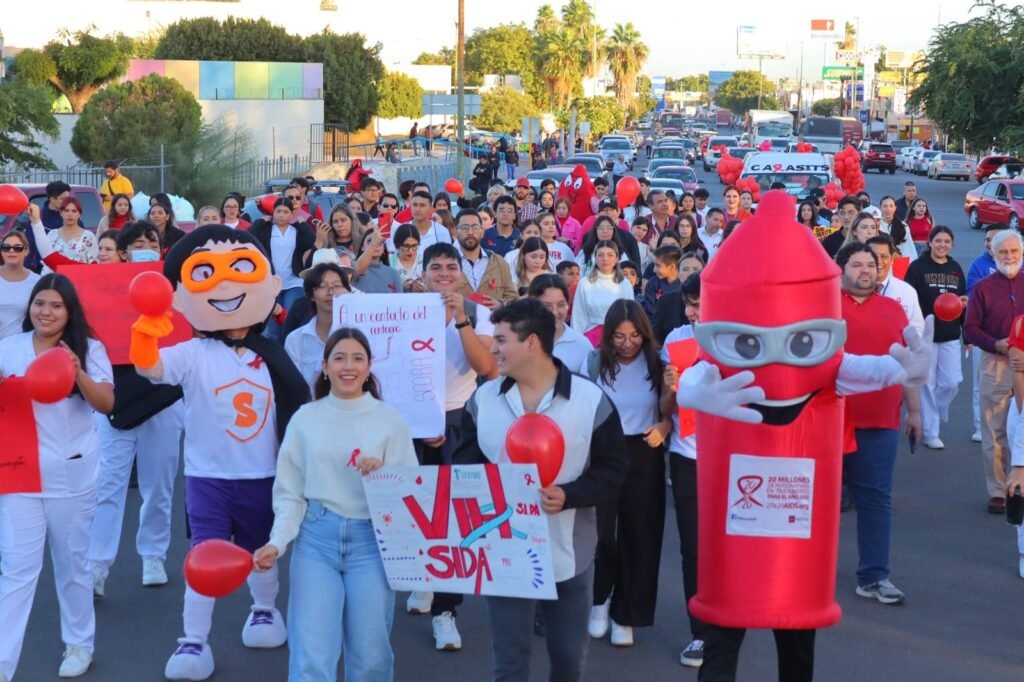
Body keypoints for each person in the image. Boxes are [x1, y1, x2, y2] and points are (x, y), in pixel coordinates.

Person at [131, 226, 309, 681]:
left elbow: (299, 404)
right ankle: (193, 640)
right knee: (204, 557)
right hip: (207, 476)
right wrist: (146, 329)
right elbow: (150, 369)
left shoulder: (273, 353)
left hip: (264, 473)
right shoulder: (193, 352)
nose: (227, 288)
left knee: (261, 551)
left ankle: (264, 610)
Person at [452, 297, 627, 682]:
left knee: (567, 662)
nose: (491, 348)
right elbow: (463, 470)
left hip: (570, 554)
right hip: (504, 553)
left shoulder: (591, 400)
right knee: (509, 664)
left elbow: (615, 470)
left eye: (500, 339)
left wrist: (571, 494)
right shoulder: (483, 400)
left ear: (532, 342)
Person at [253, 328, 417, 682]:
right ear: (324, 366)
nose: (349, 366)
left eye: (358, 358)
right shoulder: (304, 418)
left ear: (370, 366)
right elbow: (289, 492)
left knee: (371, 656)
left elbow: (411, 494)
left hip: (372, 542)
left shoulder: (390, 420)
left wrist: (384, 476)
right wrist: (277, 542)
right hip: (316, 540)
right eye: (339, 358)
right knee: (311, 656)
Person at [0, 274, 115, 680]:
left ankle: (79, 643)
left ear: (69, 311)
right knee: (16, 568)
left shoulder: (90, 348)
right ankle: (3, 661)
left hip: (71, 473)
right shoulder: (8, 349)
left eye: (55, 306)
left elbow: (106, 403)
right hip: (18, 475)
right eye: (39, 304)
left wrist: (77, 372)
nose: (45, 312)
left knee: (72, 563)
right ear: (29, 307)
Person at [405, 242, 498, 651]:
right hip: (411, 422)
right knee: (417, 510)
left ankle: (446, 610)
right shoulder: (406, 311)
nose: (443, 273)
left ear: (461, 272)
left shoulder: (480, 314)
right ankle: (425, 577)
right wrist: (420, 419)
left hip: (458, 420)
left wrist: (461, 318)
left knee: (453, 517)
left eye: (450, 267)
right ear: (423, 272)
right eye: (435, 267)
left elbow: (486, 367)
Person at [87, 224, 184, 599]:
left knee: (159, 482)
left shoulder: (176, 288)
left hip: (162, 397)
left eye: (152, 244)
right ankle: (97, 565)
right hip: (115, 396)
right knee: (107, 485)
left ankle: (154, 554)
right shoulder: (99, 287)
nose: (145, 249)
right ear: (123, 253)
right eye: (137, 245)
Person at [837, 242, 922, 607]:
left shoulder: (894, 311)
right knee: (817, 503)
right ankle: (803, 573)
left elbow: (910, 367)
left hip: (880, 422)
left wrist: (914, 412)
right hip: (828, 423)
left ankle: (874, 576)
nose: (865, 270)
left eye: (871, 264)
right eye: (857, 264)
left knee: (876, 500)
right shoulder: (823, 308)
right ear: (841, 270)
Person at [587, 300, 671, 647]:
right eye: (619, 336)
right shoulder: (593, 361)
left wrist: (665, 424)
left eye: (635, 335)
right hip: (602, 453)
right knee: (601, 532)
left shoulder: (658, 362)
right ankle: (600, 598)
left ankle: (628, 614)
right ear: (608, 336)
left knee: (641, 533)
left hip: (644, 450)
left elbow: (669, 410)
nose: (627, 343)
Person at [658, 271, 708, 667]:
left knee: (726, 546)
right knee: (692, 547)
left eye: (699, 304)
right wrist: (671, 388)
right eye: (690, 304)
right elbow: (663, 409)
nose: (693, 312)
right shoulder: (675, 340)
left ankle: (729, 618)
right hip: (686, 454)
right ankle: (700, 633)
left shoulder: (740, 339)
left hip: (730, 458)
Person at [964, 229, 1024, 514]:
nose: (1009, 257)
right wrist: (994, 343)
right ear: (994, 254)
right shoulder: (983, 288)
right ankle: (999, 490)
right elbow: (970, 329)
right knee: (994, 428)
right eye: (1003, 252)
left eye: (1013, 251)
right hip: (996, 363)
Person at [903, 226, 967, 450]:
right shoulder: (917, 268)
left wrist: (966, 334)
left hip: (950, 334)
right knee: (927, 384)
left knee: (952, 382)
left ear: (952, 244)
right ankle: (932, 431)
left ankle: (929, 414)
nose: (942, 245)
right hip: (925, 336)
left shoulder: (956, 269)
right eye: (938, 241)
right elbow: (909, 299)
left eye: (947, 241)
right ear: (930, 242)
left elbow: (962, 302)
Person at [250, 198, 317, 343]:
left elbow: (312, 239)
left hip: (293, 282)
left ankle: (290, 356)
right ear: (273, 212)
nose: (281, 215)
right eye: (278, 211)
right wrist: (261, 221)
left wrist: (303, 224)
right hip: (272, 284)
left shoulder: (296, 231)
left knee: (290, 322)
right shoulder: (267, 230)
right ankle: (274, 359)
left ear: (291, 214)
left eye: (286, 212)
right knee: (273, 328)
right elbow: (250, 235)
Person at [967, 224, 1009, 442]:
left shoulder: (1018, 267)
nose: (989, 244)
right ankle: (979, 426)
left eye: (993, 239)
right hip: (987, 342)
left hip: (1016, 347)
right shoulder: (978, 265)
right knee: (981, 385)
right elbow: (974, 297)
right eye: (987, 240)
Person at [285, 263, 352, 393]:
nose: (331, 292)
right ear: (311, 295)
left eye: (337, 286)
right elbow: (295, 388)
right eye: (322, 286)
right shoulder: (296, 340)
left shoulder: (359, 335)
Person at [530, 274, 594, 374]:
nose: (555, 312)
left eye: (561, 305)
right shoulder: (518, 340)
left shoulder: (581, 344)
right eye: (547, 306)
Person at [865, 234, 926, 337]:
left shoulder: (906, 291)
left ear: (892, 258)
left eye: (884, 256)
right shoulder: (853, 290)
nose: (878, 262)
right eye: (873, 256)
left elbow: (917, 327)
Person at [454, 208, 516, 307]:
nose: (470, 232)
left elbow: (513, 298)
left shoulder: (499, 263)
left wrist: (501, 305)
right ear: (456, 232)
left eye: (475, 227)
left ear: (482, 232)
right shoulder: (446, 265)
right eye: (465, 227)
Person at [571, 240, 634, 336]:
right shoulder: (585, 283)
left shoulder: (624, 284)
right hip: (591, 334)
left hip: (618, 334)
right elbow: (578, 316)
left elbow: (630, 315)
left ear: (617, 259)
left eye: (610, 255)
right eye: (600, 255)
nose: (605, 259)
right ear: (595, 258)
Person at [0, 231, 40, 339]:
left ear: (26, 251)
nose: (11, 251)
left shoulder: (37, 282)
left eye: (17, 248)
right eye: (6, 247)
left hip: (19, 345)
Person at [44, 197, 97, 268]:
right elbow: (46, 259)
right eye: (66, 211)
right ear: (61, 213)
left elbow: (94, 264)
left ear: (79, 214)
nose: (70, 214)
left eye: (74, 211)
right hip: (54, 277)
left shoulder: (88, 236)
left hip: (79, 277)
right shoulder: (52, 235)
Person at [640, 245, 683, 319]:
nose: (654, 269)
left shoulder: (684, 284)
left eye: (658, 265)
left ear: (672, 267)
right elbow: (650, 310)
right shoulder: (653, 283)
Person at [878, 195, 915, 260]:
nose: (888, 209)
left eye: (891, 206)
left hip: (899, 262)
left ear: (895, 208)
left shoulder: (903, 226)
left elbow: (908, 248)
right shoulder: (876, 225)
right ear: (880, 208)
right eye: (885, 206)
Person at [389, 224, 425, 291]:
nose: (410, 250)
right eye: (406, 246)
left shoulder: (425, 261)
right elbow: (383, 288)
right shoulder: (389, 262)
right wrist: (400, 288)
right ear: (398, 245)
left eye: (414, 246)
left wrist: (425, 289)